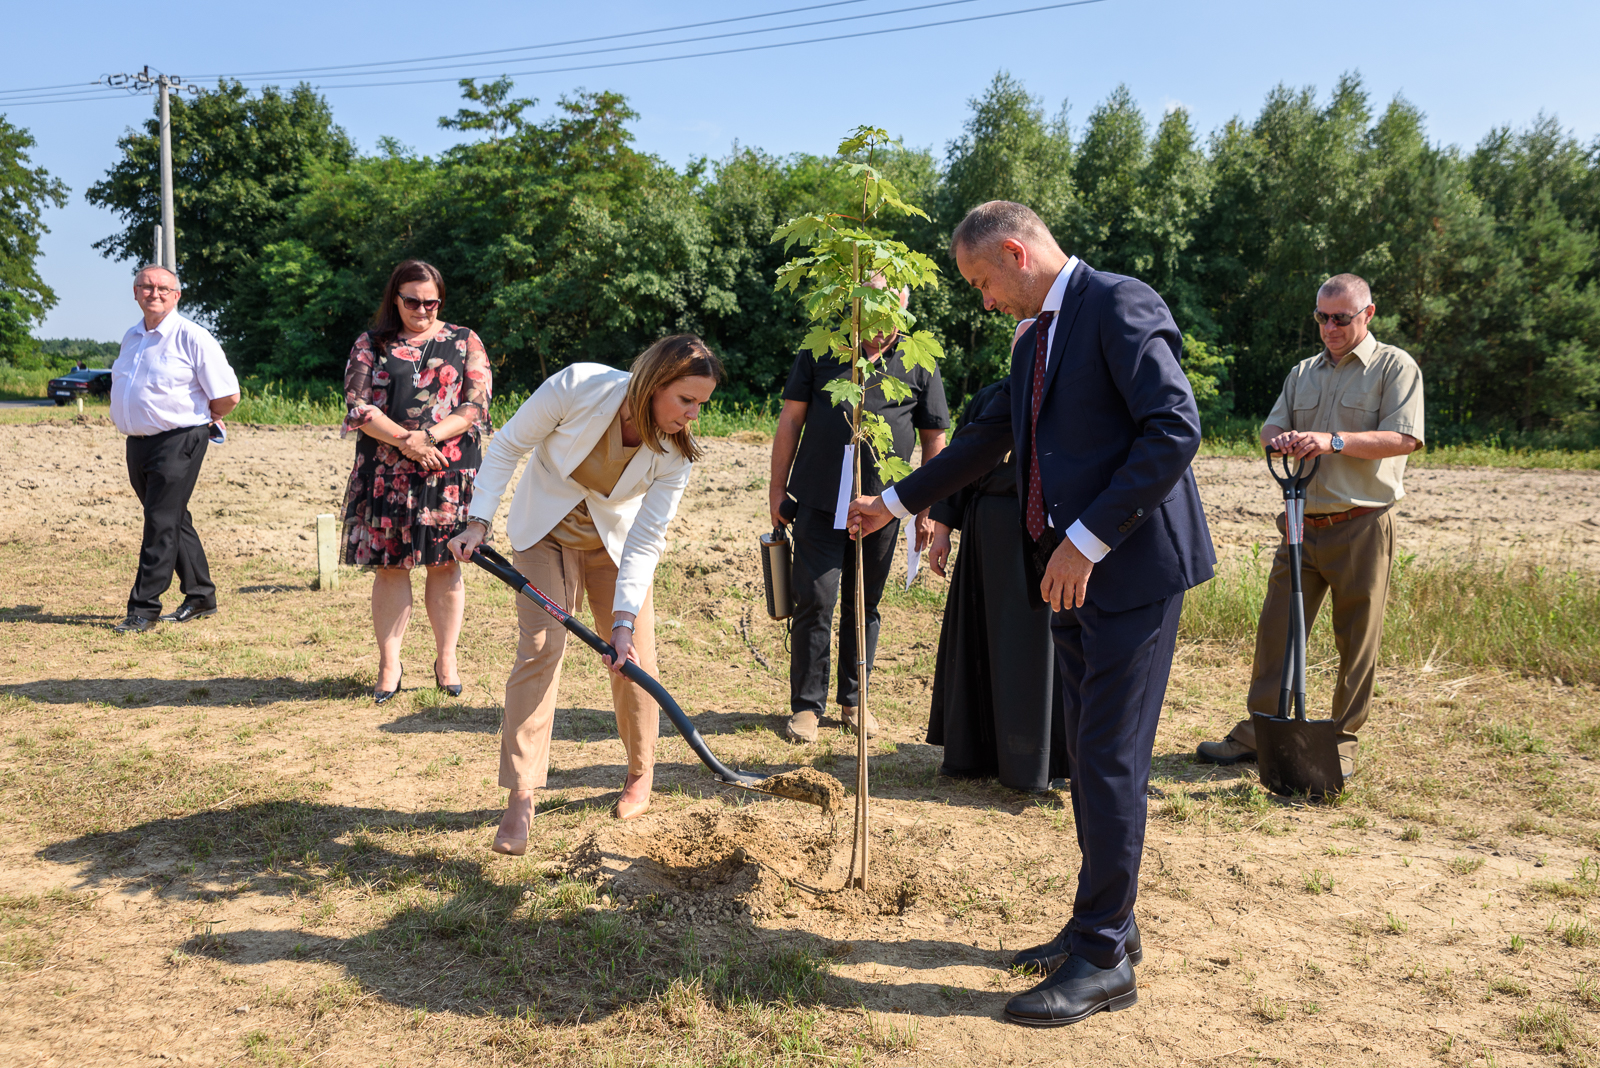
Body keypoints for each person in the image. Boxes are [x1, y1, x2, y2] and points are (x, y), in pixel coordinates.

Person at [848, 201, 1215, 1027]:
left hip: (1127, 570)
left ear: (1016, 252)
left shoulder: (1118, 303)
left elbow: (1173, 428)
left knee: (1108, 759)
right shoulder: (1034, 337)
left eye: (982, 282)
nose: (983, 301)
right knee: (1087, 757)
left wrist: (1086, 540)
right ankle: (1106, 927)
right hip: (1068, 577)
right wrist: (895, 503)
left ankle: (1103, 959)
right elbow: (986, 438)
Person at [448, 336, 722, 854]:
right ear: (653, 384)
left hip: (615, 545)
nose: (693, 415)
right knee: (540, 648)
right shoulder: (579, 386)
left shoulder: (676, 452)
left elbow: (647, 536)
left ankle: (640, 771)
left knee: (633, 660)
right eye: (686, 400)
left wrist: (622, 621)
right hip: (545, 531)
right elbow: (507, 445)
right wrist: (479, 520)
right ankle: (521, 794)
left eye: (700, 404)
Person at [1196, 274, 1422, 776]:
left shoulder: (1394, 366)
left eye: (1341, 317)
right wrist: (1280, 440)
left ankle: (1340, 745)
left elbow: (1404, 438)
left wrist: (1332, 441)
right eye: (1322, 317)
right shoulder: (1303, 372)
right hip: (1300, 522)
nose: (1330, 327)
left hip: (1362, 524)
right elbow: (1271, 426)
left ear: (1368, 313)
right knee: (1277, 630)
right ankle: (1259, 732)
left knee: (1356, 640)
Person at [768, 281, 949, 743]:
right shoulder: (823, 347)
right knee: (815, 598)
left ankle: (854, 701)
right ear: (855, 306)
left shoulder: (918, 358)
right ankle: (807, 707)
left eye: (891, 314)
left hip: (884, 505)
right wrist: (776, 489)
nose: (880, 327)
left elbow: (934, 438)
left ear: (903, 309)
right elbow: (791, 418)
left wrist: (925, 508)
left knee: (864, 602)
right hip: (818, 498)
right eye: (871, 313)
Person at [341, 260, 493, 704]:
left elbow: (475, 405)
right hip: (386, 471)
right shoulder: (371, 343)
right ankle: (390, 665)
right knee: (391, 567)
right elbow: (359, 407)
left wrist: (427, 438)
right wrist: (407, 443)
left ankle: (447, 660)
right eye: (413, 301)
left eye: (431, 302)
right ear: (396, 299)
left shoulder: (465, 340)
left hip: (448, 469)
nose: (422, 309)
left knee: (445, 563)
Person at [925, 329, 1066, 793]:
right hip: (986, 533)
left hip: (1046, 538)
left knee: (1037, 650)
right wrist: (941, 530)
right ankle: (975, 751)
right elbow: (959, 462)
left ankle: (1036, 758)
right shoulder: (989, 399)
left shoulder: (1066, 398)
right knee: (980, 642)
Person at [109, 264, 241, 634]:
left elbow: (228, 395)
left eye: (163, 288)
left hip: (179, 440)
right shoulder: (132, 337)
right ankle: (201, 595)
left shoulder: (192, 337)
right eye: (147, 286)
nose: (155, 293)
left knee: (159, 522)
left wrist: (203, 418)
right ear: (135, 292)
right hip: (138, 443)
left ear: (177, 295)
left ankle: (144, 609)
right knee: (171, 518)